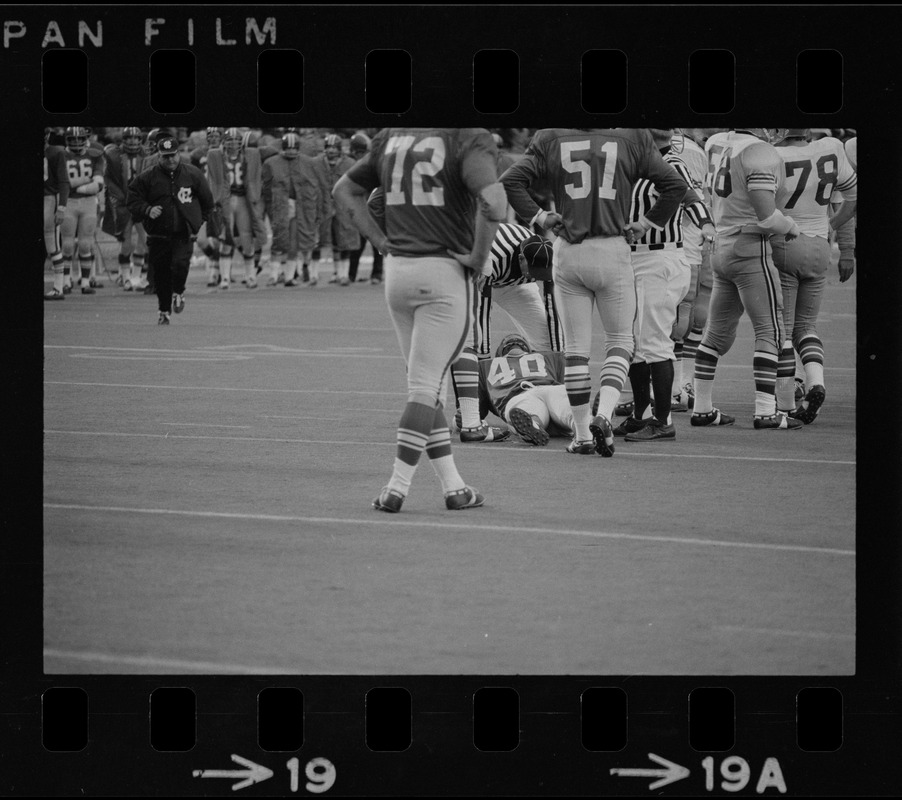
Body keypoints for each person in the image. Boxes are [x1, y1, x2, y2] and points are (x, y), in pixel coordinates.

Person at [333, 127, 507, 513]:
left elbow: (343, 190)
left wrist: (380, 242)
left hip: (398, 273)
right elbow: (494, 201)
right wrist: (479, 256)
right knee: (426, 388)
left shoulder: (390, 135)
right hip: (443, 271)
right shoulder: (466, 135)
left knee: (425, 386)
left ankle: (454, 486)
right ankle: (396, 485)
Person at [501, 128, 688, 456]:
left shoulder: (550, 137)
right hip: (613, 248)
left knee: (575, 349)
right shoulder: (633, 138)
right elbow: (675, 186)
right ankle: (603, 416)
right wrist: (645, 224)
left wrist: (542, 216)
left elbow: (511, 180)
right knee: (620, 342)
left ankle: (583, 435)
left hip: (570, 252)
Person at [614, 128, 717, 443]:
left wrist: (707, 225)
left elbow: (692, 200)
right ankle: (641, 414)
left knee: (655, 341)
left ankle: (663, 420)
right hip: (634, 258)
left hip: (659, 258)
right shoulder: (634, 162)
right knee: (634, 341)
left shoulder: (671, 163)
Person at [696, 128, 803, 430]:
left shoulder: (717, 141)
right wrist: (791, 227)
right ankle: (766, 411)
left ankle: (702, 408)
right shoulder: (758, 151)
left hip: (720, 246)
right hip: (748, 247)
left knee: (715, 334)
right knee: (770, 329)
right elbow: (767, 217)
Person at [772, 128, 857, 424]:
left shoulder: (772, 155)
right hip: (821, 244)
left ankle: (783, 404)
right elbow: (853, 196)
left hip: (785, 243)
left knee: (782, 328)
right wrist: (832, 228)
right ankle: (815, 382)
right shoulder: (830, 148)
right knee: (806, 326)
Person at [450, 226, 564, 441]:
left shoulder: (549, 257)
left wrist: (559, 360)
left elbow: (553, 308)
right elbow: (481, 316)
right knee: (471, 340)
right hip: (479, 275)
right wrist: (481, 377)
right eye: (532, 270)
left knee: (547, 343)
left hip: (515, 284)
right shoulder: (495, 255)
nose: (536, 277)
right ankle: (467, 412)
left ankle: (546, 403)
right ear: (521, 258)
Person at [126, 136, 215, 325]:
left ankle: (179, 292)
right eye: (166, 157)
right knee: (161, 273)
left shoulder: (193, 174)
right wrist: (147, 210)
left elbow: (208, 202)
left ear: (178, 153)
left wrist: (197, 223)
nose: (171, 160)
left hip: (184, 233)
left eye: (173, 155)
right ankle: (164, 310)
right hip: (158, 233)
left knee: (181, 265)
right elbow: (132, 199)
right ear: (159, 156)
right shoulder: (148, 177)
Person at [478, 333, 574, 446]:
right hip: (551, 389)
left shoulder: (485, 366)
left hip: (519, 396)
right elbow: (570, 388)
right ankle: (586, 427)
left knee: (526, 411)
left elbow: (473, 414)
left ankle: (534, 423)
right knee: (568, 410)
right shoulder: (551, 357)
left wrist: (459, 420)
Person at [261, 131, 328, 287]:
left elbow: (316, 186)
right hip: (280, 204)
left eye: (294, 148)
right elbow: (265, 187)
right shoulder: (271, 162)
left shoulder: (308, 162)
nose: (291, 151)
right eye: (288, 148)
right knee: (279, 239)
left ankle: (290, 276)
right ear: (283, 147)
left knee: (294, 242)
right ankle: (273, 275)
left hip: (300, 204)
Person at [205, 128, 266, 289]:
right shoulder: (216, 156)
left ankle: (251, 276)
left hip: (242, 199)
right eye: (230, 141)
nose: (233, 144)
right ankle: (224, 278)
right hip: (225, 198)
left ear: (242, 143)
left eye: (236, 141)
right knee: (226, 237)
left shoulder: (250, 155)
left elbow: (270, 150)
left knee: (246, 237)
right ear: (224, 142)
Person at [58, 126, 105, 295]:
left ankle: (85, 282)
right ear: (67, 140)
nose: (77, 142)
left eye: (80, 139)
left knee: (86, 244)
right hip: (68, 203)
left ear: (85, 138)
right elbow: (59, 183)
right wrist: (86, 184)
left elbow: (98, 185)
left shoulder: (95, 155)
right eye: (73, 139)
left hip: (87, 202)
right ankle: (65, 282)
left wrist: (73, 187)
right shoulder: (61, 156)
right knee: (68, 245)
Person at [102, 127, 149, 291]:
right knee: (127, 241)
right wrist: (122, 197)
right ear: (124, 139)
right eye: (129, 138)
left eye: (136, 138)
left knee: (144, 240)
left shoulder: (146, 155)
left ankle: (136, 276)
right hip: (123, 201)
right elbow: (108, 179)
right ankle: (126, 276)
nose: (133, 141)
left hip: (141, 202)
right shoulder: (114, 155)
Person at [311, 134, 361, 286]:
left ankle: (342, 274)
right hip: (321, 204)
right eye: (328, 147)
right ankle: (313, 274)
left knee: (344, 239)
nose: (331, 150)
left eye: (334, 148)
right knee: (317, 239)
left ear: (340, 149)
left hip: (342, 205)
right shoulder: (315, 163)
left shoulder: (350, 163)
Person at [346, 133, 384, 284]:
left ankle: (377, 274)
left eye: (363, 152)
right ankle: (350, 274)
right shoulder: (351, 165)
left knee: (377, 245)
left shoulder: (373, 164)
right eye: (358, 152)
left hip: (373, 210)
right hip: (360, 209)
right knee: (357, 246)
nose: (360, 155)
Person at [43, 128, 71, 300]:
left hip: (49, 198)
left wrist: (61, 207)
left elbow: (63, 181)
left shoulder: (56, 152)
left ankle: (59, 287)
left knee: (52, 245)